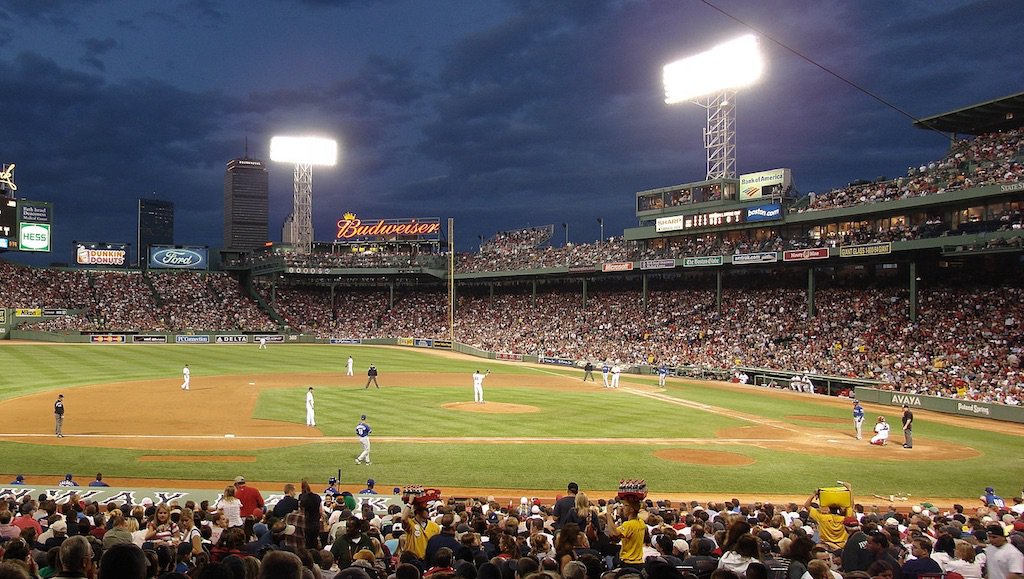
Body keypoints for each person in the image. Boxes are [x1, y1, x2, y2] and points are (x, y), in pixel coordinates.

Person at [805, 481, 853, 549]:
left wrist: (814, 493)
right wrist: (849, 489)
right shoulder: (845, 519)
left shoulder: (822, 517)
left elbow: (807, 506)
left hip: (826, 546)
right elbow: (850, 506)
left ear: (829, 508)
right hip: (841, 547)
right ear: (840, 508)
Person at [603, 499, 644, 570]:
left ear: (631, 509)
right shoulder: (641, 522)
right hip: (639, 563)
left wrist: (608, 514)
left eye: (626, 505)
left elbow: (614, 533)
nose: (623, 507)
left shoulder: (629, 525)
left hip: (628, 563)